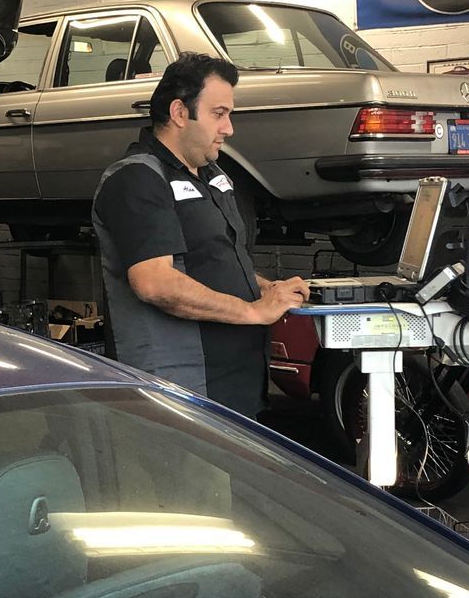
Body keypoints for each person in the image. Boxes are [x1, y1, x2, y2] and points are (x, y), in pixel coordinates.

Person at [93, 52, 308, 416]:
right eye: (218, 113)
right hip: (181, 391)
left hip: (235, 384)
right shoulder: (137, 178)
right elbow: (155, 282)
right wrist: (253, 311)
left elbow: (213, 261)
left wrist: (265, 289)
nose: (229, 128)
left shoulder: (210, 177)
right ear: (179, 113)